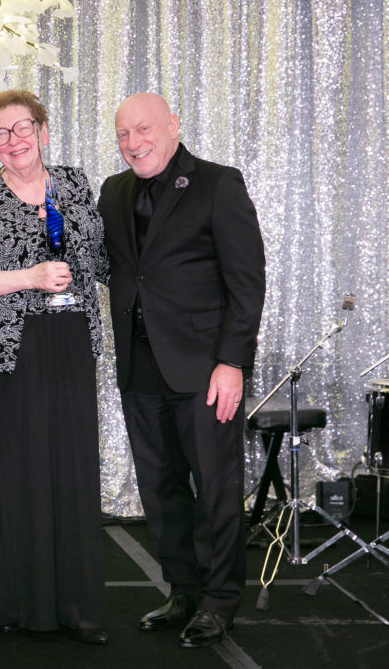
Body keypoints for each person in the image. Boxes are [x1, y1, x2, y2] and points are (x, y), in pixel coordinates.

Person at [97, 92, 266, 648]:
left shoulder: (219, 184)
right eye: (123, 134)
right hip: (140, 367)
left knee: (216, 488)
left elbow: (246, 284)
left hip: (204, 369)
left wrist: (231, 362)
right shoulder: (113, 191)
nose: (133, 143)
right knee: (161, 488)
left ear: (173, 125)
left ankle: (220, 601)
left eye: (143, 130)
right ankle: (183, 591)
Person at [0, 89, 110, 644]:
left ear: (43, 129)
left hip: (70, 339)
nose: (14, 141)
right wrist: (30, 277)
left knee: (72, 468)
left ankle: (78, 605)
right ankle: (16, 602)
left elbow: (100, 260)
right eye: (1, 132)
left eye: (22, 128)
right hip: (11, 348)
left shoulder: (76, 183)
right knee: (18, 471)